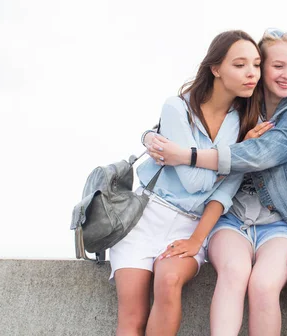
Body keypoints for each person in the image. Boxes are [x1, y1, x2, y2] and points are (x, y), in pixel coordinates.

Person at [145, 29, 287, 336]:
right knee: (233, 272)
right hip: (231, 218)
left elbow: (257, 155)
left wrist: (185, 155)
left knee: (264, 284)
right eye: (278, 66)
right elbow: (186, 119)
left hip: (282, 222)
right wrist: (149, 136)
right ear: (261, 66)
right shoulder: (241, 103)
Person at [109, 30, 261, 336]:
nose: (251, 74)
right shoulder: (177, 107)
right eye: (240, 65)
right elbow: (195, 182)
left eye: (256, 65)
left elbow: (226, 191)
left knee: (168, 280)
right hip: (146, 217)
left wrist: (196, 240)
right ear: (216, 69)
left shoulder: (246, 121)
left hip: (192, 225)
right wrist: (229, 159)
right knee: (132, 316)